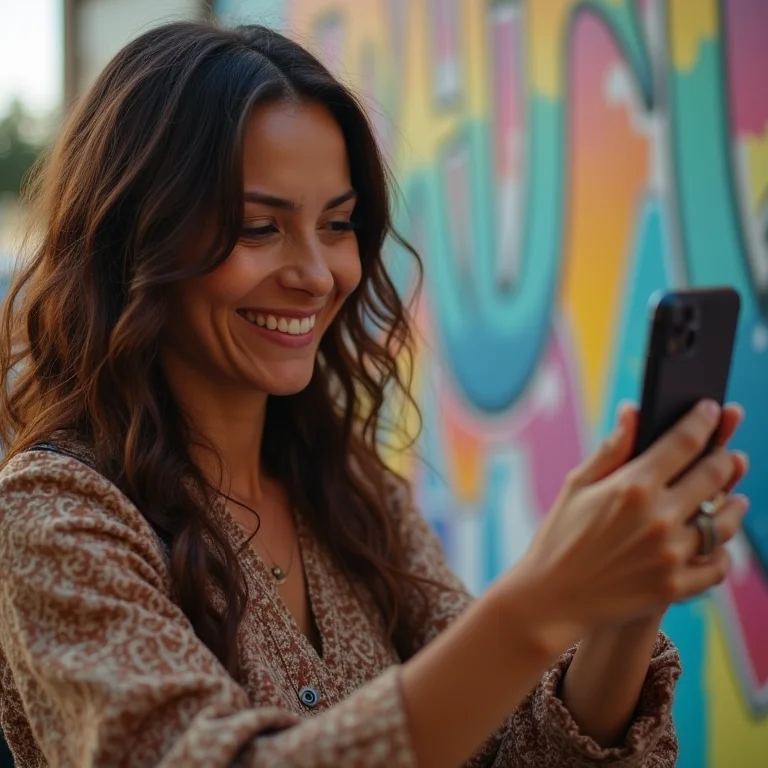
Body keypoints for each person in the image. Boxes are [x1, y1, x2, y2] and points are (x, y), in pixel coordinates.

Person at [0, 21, 749, 768]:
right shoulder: (55, 515)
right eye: (260, 227)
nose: (317, 273)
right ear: (136, 237)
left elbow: (513, 750)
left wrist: (621, 602)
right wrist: (540, 605)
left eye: (338, 224)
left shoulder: (352, 494)